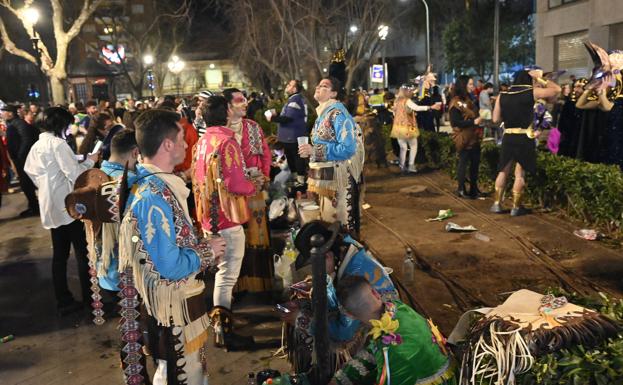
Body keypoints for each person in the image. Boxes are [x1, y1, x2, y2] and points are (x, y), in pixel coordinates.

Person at [118, 109, 225, 385]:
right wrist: (208, 251)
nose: (187, 144)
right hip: (173, 317)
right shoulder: (153, 195)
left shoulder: (156, 186)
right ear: (167, 144)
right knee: (179, 374)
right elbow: (169, 266)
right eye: (181, 139)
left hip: (177, 312)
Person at [281, 221, 399, 374]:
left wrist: (300, 319)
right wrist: (316, 285)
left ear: (328, 256)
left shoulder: (353, 276)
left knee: (306, 330)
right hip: (381, 318)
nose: (315, 269)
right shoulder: (346, 250)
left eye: (315, 263)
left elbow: (343, 334)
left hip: (384, 338)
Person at [192, 95, 258, 350]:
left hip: (209, 217)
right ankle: (224, 331)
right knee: (227, 276)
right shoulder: (226, 142)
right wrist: (253, 184)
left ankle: (223, 323)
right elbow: (235, 183)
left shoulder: (201, 142)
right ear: (227, 111)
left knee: (222, 274)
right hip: (227, 217)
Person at [24, 107, 99, 314]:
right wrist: (90, 162)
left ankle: (63, 299)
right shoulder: (58, 144)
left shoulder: (38, 145)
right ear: (60, 124)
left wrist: (46, 184)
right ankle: (91, 299)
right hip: (68, 206)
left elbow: (29, 170)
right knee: (83, 253)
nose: (69, 129)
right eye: (68, 124)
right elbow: (75, 176)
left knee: (60, 255)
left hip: (49, 204)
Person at [331, 275, 456, 385]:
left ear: (349, 315)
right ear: (375, 293)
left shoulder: (389, 350)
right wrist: (343, 377)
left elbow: (384, 362)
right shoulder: (397, 307)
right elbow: (374, 351)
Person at [298, 77, 364, 235]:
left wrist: (315, 151)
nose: (318, 88)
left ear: (333, 93)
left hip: (337, 180)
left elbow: (348, 148)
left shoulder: (338, 114)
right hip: (324, 178)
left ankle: (343, 256)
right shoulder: (323, 114)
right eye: (318, 85)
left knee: (338, 225)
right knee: (327, 223)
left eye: (324, 86)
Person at [223, 88, 273, 294]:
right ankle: (235, 287)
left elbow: (266, 155)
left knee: (257, 235)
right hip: (231, 195)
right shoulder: (220, 131)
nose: (245, 103)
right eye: (239, 100)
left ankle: (259, 287)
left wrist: (265, 175)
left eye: (245, 100)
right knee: (234, 239)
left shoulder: (253, 127)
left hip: (255, 191)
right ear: (227, 106)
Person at [490, 69, 561, 216]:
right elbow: (556, 90)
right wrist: (541, 78)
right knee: (519, 174)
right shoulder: (532, 92)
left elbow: (495, 119)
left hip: (508, 136)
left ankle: (497, 203)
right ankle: (516, 207)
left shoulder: (502, 95)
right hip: (525, 136)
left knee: (503, 170)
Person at [391, 84, 441, 174]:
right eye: (409, 91)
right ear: (406, 92)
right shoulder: (407, 101)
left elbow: (395, 113)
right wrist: (430, 107)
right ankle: (411, 165)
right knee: (413, 145)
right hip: (407, 127)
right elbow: (417, 108)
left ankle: (402, 166)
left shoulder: (396, 101)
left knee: (403, 147)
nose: (411, 92)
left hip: (397, 127)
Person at [268, 80, 309, 187]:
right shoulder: (294, 99)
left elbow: (288, 118)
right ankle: (296, 179)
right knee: (292, 157)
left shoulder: (295, 99)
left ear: (294, 89)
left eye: (290, 85)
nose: (287, 86)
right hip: (291, 135)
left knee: (296, 157)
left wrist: (272, 118)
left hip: (293, 135)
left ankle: (300, 180)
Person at [2, 103, 40, 216]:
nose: (2, 114)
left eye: (4, 112)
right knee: (25, 184)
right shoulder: (13, 124)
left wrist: (20, 156)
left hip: (23, 160)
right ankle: (32, 205)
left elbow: (26, 140)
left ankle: (34, 207)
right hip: (19, 159)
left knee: (27, 184)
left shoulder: (19, 124)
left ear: (10, 113)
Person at [449, 75, 483, 199]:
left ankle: (474, 189)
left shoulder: (470, 99)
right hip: (463, 138)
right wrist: (473, 122)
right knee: (463, 163)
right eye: (469, 84)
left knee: (475, 163)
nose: (472, 86)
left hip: (474, 136)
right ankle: (461, 189)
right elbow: (455, 122)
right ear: (463, 86)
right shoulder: (456, 102)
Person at [557, 79, 586, 158]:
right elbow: (562, 123)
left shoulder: (590, 105)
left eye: (579, 87)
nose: (575, 89)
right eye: (575, 87)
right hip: (568, 137)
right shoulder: (569, 103)